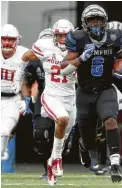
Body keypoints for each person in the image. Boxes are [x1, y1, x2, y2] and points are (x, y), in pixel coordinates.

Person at [59, 4, 122, 183]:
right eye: (91, 20)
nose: (95, 23)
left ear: (104, 22)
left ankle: (115, 164)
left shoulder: (114, 37)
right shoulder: (77, 38)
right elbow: (63, 68)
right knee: (89, 139)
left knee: (110, 120)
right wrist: (81, 58)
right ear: (85, 22)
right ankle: (84, 147)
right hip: (84, 92)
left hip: (105, 88)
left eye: (98, 20)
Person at [22, 19, 76, 186]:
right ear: (53, 36)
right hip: (51, 95)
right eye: (59, 35)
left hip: (70, 98)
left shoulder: (80, 48)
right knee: (61, 120)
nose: (62, 39)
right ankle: (57, 159)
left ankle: (53, 161)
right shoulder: (45, 46)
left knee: (63, 137)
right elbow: (25, 57)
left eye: (65, 36)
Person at [21, 28, 55, 180]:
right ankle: (48, 169)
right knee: (40, 134)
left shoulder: (67, 56)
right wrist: (28, 99)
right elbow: (26, 81)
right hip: (43, 97)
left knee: (63, 136)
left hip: (64, 97)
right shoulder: (34, 61)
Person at [1, 24, 29, 159]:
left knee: (5, 131)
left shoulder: (25, 54)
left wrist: (28, 100)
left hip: (13, 98)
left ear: (17, 40)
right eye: (4, 39)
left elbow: (34, 79)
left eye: (10, 39)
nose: (7, 42)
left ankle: (2, 151)